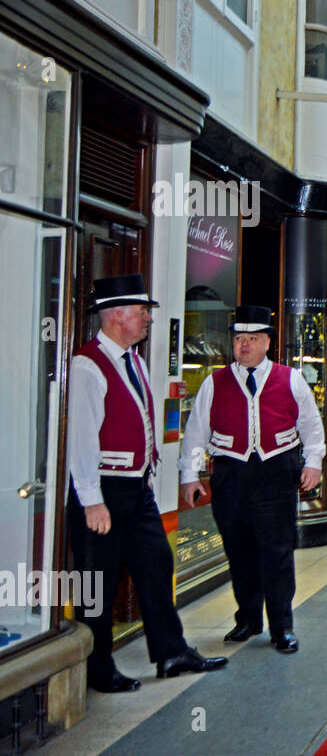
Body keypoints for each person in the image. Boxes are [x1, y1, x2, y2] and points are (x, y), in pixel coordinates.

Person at [67, 274, 228, 692]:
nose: (147, 320)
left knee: (157, 564)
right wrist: (91, 500)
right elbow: (81, 439)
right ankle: (97, 667)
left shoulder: (133, 360)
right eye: (141, 312)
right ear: (116, 315)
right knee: (96, 581)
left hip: (135, 490)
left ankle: (171, 653)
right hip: (102, 491)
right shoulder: (88, 364)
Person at [179, 305, 325, 654]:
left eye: (252, 339)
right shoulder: (214, 382)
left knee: (276, 550)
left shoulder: (290, 378)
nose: (244, 345)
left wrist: (314, 462)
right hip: (231, 473)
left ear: (267, 342)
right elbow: (196, 431)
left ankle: (281, 626)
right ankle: (247, 619)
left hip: (277, 471)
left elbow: (311, 425)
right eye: (239, 339)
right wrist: (190, 474)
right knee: (239, 549)